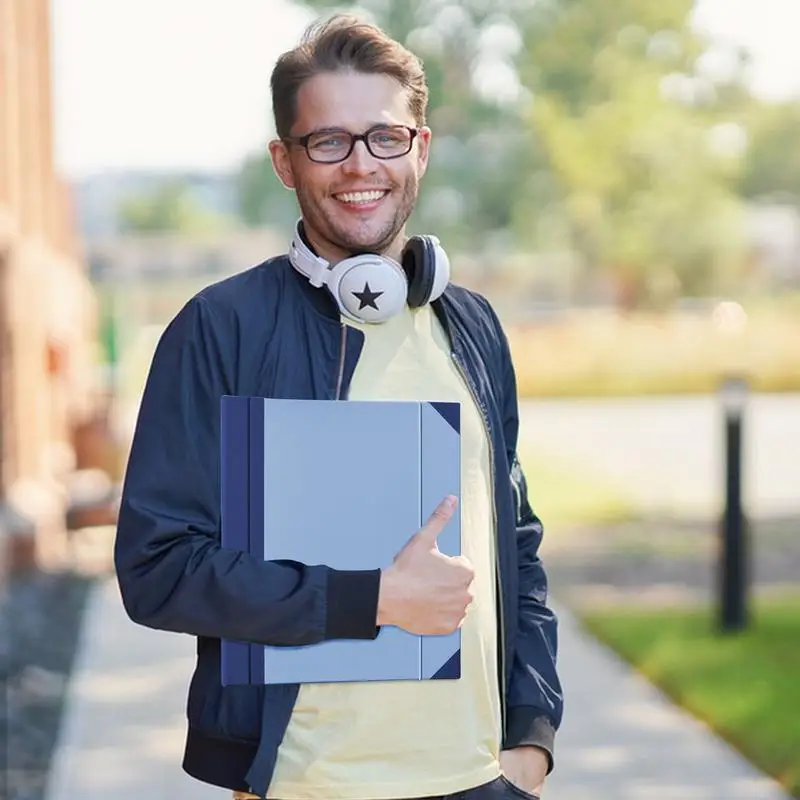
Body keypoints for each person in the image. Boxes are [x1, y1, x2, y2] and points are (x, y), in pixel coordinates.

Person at [114, 12, 563, 800]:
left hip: (483, 778)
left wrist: (531, 734)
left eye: (385, 136)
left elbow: (517, 543)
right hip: (305, 783)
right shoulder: (220, 329)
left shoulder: (474, 326)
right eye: (328, 141)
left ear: (419, 148)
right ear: (286, 162)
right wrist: (376, 599)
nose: (361, 164)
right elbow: (157, 569)